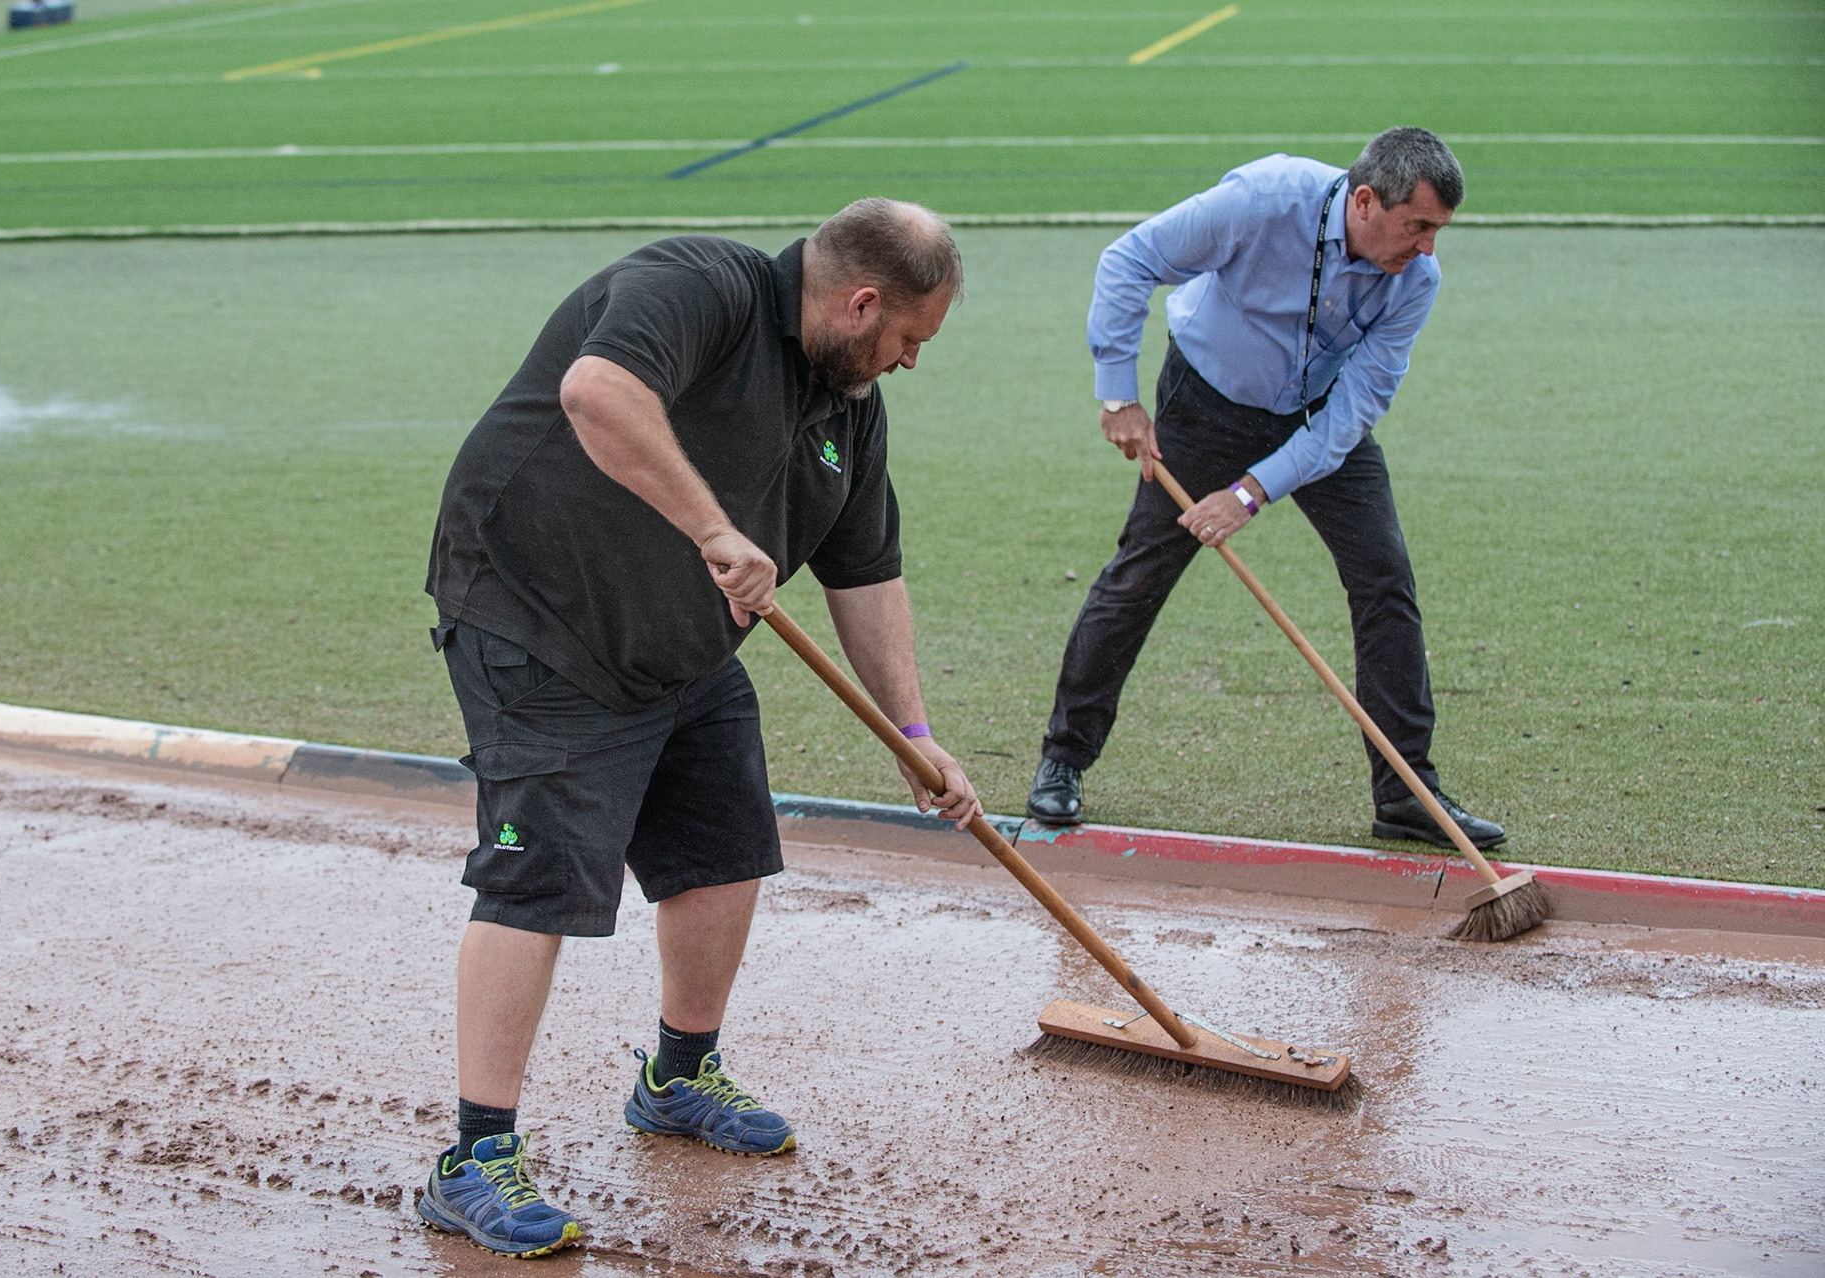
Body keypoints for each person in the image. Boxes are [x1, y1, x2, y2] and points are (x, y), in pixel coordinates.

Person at [420, 199, 981, 1257]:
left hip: (682, 651)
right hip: (537, 622)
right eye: (909, 338)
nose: (909, 362)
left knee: (724, 855)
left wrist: (912, 729)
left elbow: (867, 573)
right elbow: (597, 392)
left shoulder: (847, 406)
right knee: (535, 880)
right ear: (862, 301)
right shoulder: (701, 288)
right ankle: (474, 1156)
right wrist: (715, 528)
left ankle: (677, 1078)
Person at [1026, 127, 1504, 852]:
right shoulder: (1263, 201)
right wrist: (1118, 395)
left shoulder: (1417, 282)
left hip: (1319, 419)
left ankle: (1408, 797)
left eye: (1439, 232)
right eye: (1419, 227)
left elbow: (1356, 407)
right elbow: (1130, 260)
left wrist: (1252, 493)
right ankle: (1062, 762)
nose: (1429, 249)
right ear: (1367, 201)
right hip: (1205, 402)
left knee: (1384, 579)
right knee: (1139, 576)